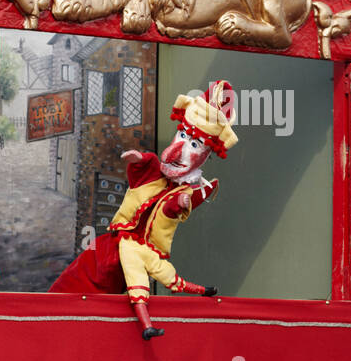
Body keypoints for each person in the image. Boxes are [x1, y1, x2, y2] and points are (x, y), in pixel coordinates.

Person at [49, 81, 235, 339]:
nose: (182, 147)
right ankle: (49, 317)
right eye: (182, 136)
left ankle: (189, 299)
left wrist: (180, 204)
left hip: (135, 256)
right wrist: (138, 160)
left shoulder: (188, 192)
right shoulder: (155, 172)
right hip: (109, 250)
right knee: (74, 287)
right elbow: (145, 170)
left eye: (194, 145)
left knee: (108, 303)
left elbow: (173, 209)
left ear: (205, 155)